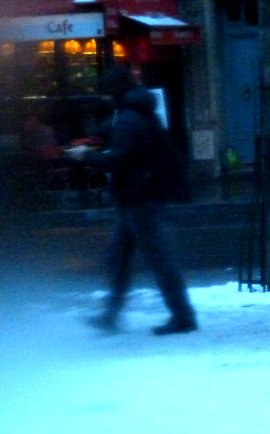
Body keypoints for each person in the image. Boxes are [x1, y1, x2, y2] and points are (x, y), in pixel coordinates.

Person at [65, 65, 197, 336]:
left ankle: (182, 316)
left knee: (157, 259)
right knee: (120, 256)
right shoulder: (136, 112)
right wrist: (99, 138)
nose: (103, 97)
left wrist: (84, 156)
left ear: (115, 91)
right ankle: (112, 315)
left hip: (138, 197)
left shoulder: (129, 117)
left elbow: (119, 159)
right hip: (138, 196)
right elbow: (124, 141)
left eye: (105, 92)